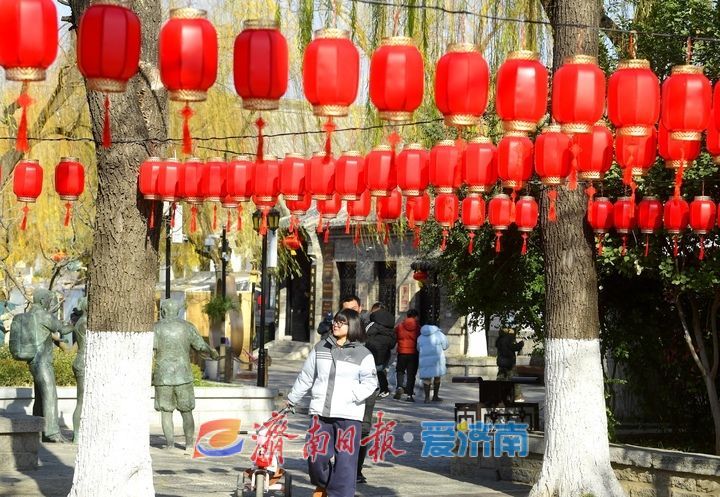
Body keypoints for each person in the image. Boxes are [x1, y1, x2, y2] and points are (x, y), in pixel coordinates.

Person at [286, 308, 377, 497]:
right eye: (335, 321)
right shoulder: (321, 348)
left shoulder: (363, 354)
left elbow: (371, 383)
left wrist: (352, 395)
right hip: (320, 413)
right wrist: (292, 399)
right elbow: (306, 377)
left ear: (351, 326)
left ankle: (338, 494)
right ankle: (324, 485)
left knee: (345, 463)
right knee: (316, 458)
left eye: (341, 322)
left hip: (349, 416)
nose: (336, 324)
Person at [152, 299, 219, 452]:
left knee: (166, 411)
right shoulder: (187, 327)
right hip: (183, 375)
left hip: (163, 376)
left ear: (162, 311)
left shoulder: (156, 328)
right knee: (186, 410)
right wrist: (212, 351)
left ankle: (169, 445)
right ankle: (189, 444)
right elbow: (200, 345)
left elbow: (151, 348)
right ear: (178, 312)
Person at [9, 289, 74, 442]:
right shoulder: (43, 315)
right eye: (50, 300)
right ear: (43, 300)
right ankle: (52, 432)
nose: (51, 303)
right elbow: (63, 329)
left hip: (33, 361)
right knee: (50, 394)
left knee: (40, 396)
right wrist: (76, 323)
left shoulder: (30, 315)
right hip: (43, 362)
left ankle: (38, 430)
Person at [364, 308, 396, 399]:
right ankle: (384, 389)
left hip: (371, 350)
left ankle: (373, 389)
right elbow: (392, 344)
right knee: (379, 370)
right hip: (384, 353)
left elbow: (365, 333)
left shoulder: (373, 326)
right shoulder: (390, 330)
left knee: (370, 371)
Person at [417, 324, 449, 403]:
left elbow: (418, 348)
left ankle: (427, 398)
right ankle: (435, 396)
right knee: (437, 377)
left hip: (425, 360)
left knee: (426, 379)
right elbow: (445, 346)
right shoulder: (440, 335)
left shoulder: (420, 337)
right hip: (437, 360)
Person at [394, 309, 420, 402]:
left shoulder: (400, 326)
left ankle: (400, 386)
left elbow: (395, 335)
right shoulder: (418, 327)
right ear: (415, 316)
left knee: (400, 371)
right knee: (411, 374)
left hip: (402, 352)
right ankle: (409, 395)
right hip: (413, 353)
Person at [72, 297, 87, 443]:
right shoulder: (85, 322)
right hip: (84, 362)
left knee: (82, 400)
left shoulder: (81, 321)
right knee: (81, 401)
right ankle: (76, 434)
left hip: (82, 361)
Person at [496, 327, 525, 401]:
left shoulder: (499, 339)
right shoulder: (508, 339)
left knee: (501, 379)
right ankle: (517, 396)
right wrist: (521, 344)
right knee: (514, 379)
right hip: (509, 363)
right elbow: (514, 347)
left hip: (501, 363)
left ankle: (498, 395)